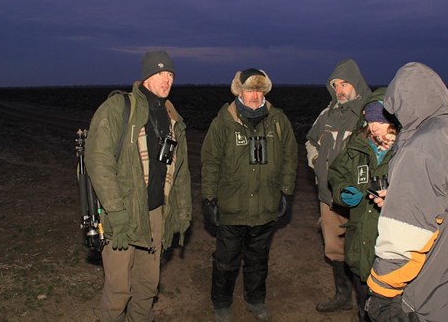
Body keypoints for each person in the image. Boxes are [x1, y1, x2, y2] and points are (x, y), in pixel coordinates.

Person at [365, 62, 448, 322]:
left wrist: (382, 291)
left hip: (425, 296)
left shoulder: (422, 147)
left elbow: (405, 237)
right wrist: (401, 197)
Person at [85, 50, 192, 322]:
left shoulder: (172, 118)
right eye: (159, 73)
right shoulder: (119, 108)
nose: (166, 79)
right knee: (119, 290)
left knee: (147, 286)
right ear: (146, 76)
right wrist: (116, 212)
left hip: (156, 214)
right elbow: (98, 161)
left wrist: (181, 212)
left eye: (170, 74)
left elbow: (180, 172)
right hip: (123, 214)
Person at [201, 68, 298, 322]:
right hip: (232, 207)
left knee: (258, 259)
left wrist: (286, 192)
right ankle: (221, 302)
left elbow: (290, 158)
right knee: (226, 260)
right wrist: (209, 198)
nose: (254, 96)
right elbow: (210, 162)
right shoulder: (223, 121)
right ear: (239, 92)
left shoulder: (278, 120)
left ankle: (255, 299)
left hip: (266, 205)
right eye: (249, 90)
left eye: (259, 90)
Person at [306, 59, 371, 313]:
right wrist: (316, 161)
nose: (340, 90)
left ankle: (366, 306)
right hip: (329, 197)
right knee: (335, 250)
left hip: (361, 201)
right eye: (335, 85)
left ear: (356, 83)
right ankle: (342, 296)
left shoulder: (371, 114)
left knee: (363, 253)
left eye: (344, 83)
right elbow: (311, 141)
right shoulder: (327, 114)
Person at [328, 88, 398, 322]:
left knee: (390, 309)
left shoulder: (408, 151)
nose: (374, 126)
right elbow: (337, 172)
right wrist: (342, 191)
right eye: (370, 119)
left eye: (380, 120)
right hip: (360, 242)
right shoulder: (358, 145)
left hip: (391, 249)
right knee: (364, 304)